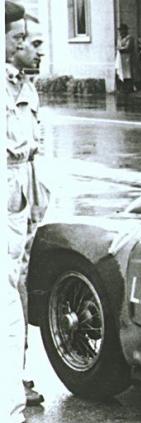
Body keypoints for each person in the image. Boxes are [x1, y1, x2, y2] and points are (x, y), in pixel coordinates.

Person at [6, 3, 47, 417]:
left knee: (18, 282)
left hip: (22, 190)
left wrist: (36, 199)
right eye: (23, 40)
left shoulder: (25, 86)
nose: (33, 49)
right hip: (7, 187)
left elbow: (34, 147)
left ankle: (17, 373)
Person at [115, 23, 138, 93]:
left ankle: (130, 87)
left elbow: (127, 47)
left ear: (126, 30)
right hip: (121, 59)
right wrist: (120, 48)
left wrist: (121, 48)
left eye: (122, 30)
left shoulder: (130, 38)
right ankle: (123, 87)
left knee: (128, 73)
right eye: (120, 31)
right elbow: (118, 46)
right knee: (121, 72)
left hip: (128, 58)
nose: (121, 32)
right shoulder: (120, 39)